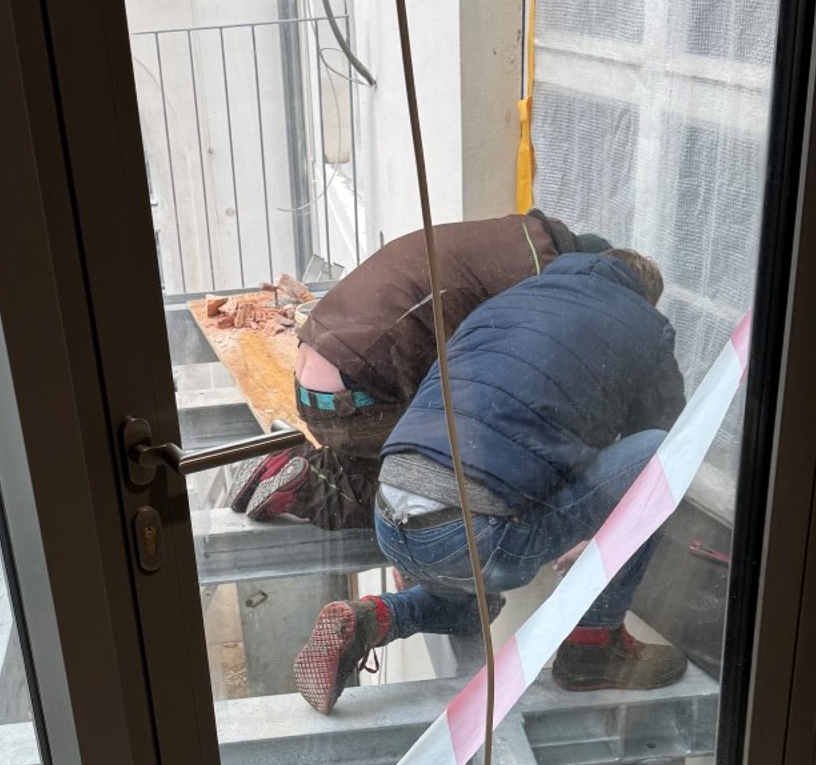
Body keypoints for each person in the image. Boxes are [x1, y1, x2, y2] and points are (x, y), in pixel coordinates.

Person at [291, 246, 689, 713]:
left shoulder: (510, 300)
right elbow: (672, 435)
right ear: (645, 296)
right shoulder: (643, 325)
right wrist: (616, 528)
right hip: (472, 536)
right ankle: (593, 643)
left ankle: (374, 618)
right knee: (665, 453)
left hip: (392, 518)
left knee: (475, 606)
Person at [230, 210, 604, 528]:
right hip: (354, 393)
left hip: (321, 374)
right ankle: (313, 487)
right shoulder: (542, 281)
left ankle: (286, 466)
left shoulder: (512, 238)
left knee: (374, 451)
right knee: (423, 495)